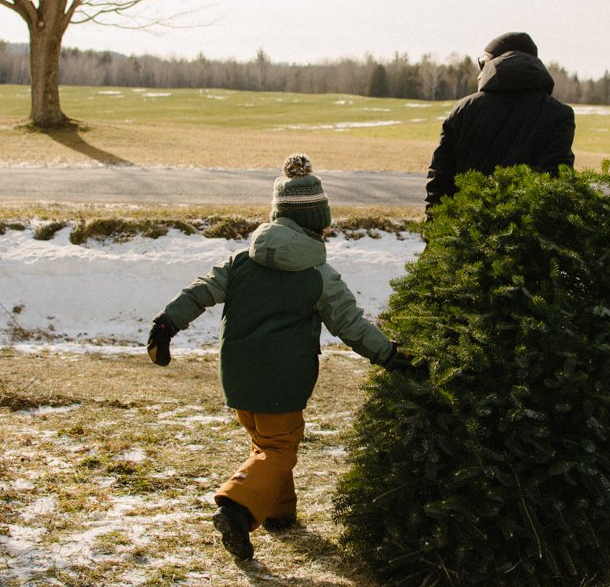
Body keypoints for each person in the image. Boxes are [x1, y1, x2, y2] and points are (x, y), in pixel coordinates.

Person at [145, 154, 411, 560]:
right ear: (318, 221)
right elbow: (351, 326)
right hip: (281, 382)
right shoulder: (319, 276)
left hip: (236, 377)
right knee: (279, 448)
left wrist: (166, 326)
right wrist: (389, 355)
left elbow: (200, 292)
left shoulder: (239, 262)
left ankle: (279, 513)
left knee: (265, 443)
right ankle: (237, 507)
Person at [425, 31, 576, 212]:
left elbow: (441, 176)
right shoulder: (559, 114)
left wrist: (435, 229)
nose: (479, 74)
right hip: (531, 231)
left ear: (493, 63)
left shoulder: (465, 109)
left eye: (483, 62)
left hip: (464, 230)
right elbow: (556, 180)